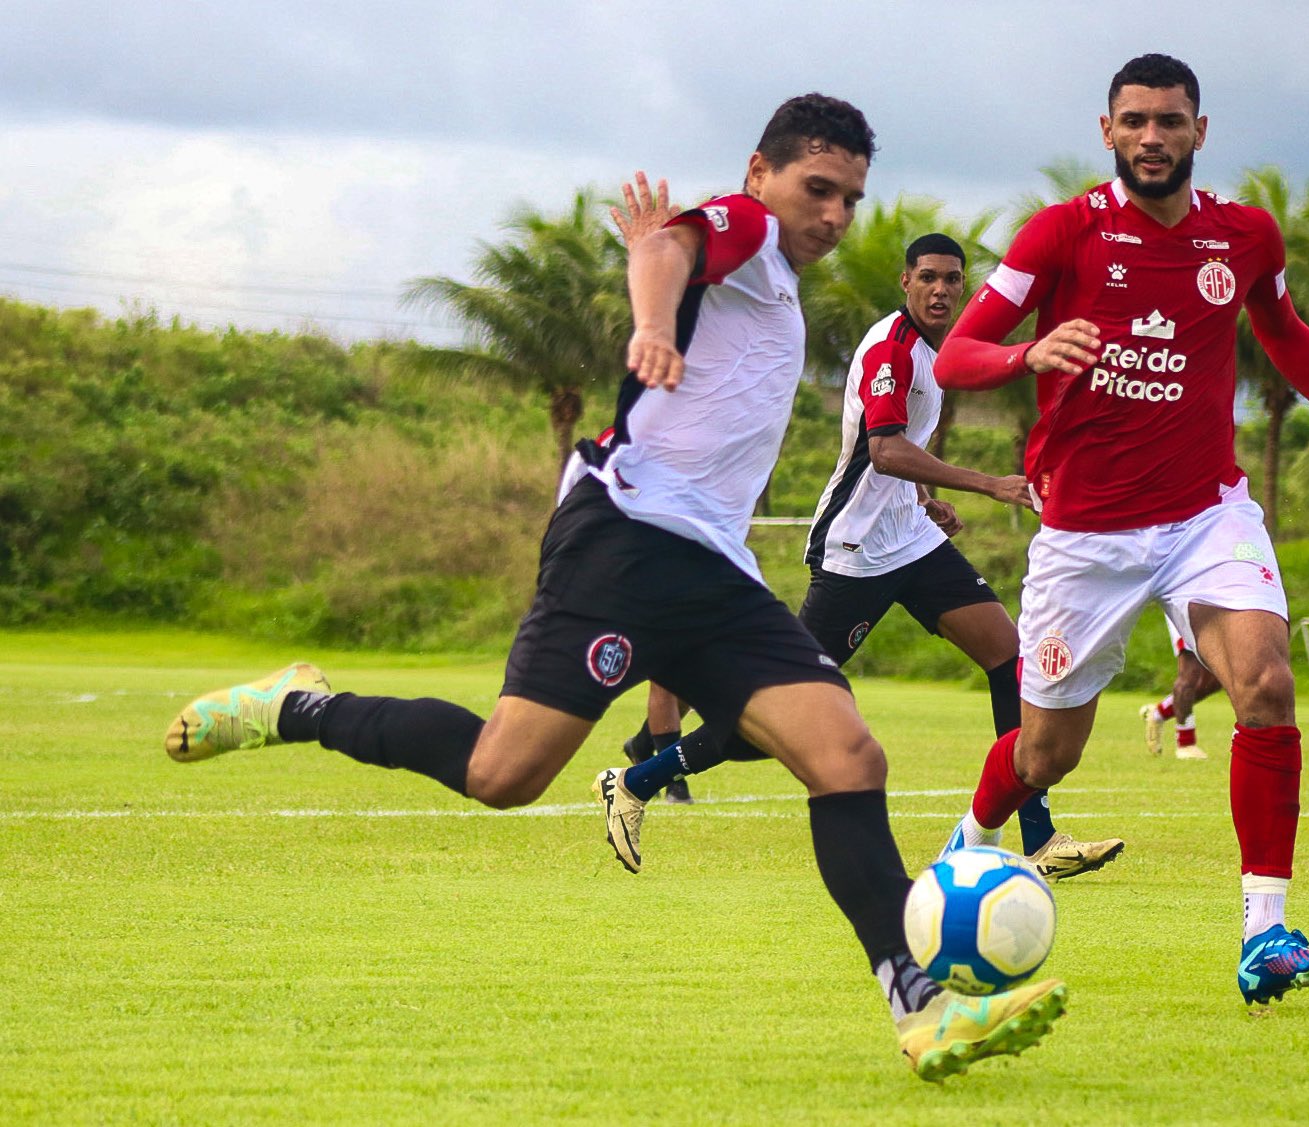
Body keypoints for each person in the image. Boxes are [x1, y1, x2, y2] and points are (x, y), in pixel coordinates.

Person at [161, 95, 1064, 1080]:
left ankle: (919, 1002)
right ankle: (295, 707)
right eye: (818, 188)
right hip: (621, 541)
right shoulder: (748, 228)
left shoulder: (778, 286)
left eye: (849, 197)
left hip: (712, 569)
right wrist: (648, 322)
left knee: (846, 751)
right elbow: (666, 247)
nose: (834, 214)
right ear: (760, 173)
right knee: (503, 775)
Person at [931, 54, 1309, 1006]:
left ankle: (1266, 935)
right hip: (1084, 537)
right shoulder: (1061, 234)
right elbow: (960, 353)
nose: (1151, 137)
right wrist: (1029, 350)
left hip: (1203, 513)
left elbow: (1285, 332)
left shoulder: (1244, 236)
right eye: (1133, 120)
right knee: (1044, 754)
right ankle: (960, 860)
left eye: (1168, 121)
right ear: (1107, 132)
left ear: (1198, 132)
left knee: (1263, 680)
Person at [597, 230, 1126, 882]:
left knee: (1007, 657)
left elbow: (901, 447)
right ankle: (638, 778)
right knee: (781, 714)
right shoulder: (895, 350)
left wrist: (926, 499)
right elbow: (882, 449)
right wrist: (989, 483)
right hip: (856, 551)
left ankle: (1037, 835)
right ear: (904, 282)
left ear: (965, 286)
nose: (939, 289)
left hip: (910, 538)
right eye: (926, 277)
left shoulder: (936, 352)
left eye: (951, 279)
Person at [1140, 613, 1222, 759]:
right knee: (1190, 672)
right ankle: (1185, 743)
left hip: (1219, 605)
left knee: (1216, 679)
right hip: (1187, 601)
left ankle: (1159, 713)